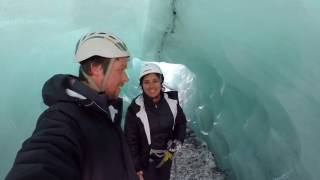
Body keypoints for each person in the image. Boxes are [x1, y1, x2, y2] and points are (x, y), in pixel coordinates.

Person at [6, 32, 138, 180]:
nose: (125, 78)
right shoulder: (63, 118)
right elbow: (42, 161)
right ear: (96, 69)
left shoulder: (104, 113)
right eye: (121, 69)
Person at [124, 63, 187, 180]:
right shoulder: (135, 108)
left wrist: (177, 140)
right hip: (146, 162)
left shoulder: (172, 102)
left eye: (155, 81)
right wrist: (136, 167)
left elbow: (181, 123)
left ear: (161, 82)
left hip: (167, 156)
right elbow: (130, 141)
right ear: (141, 85)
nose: (151, 86)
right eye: (146, 82)